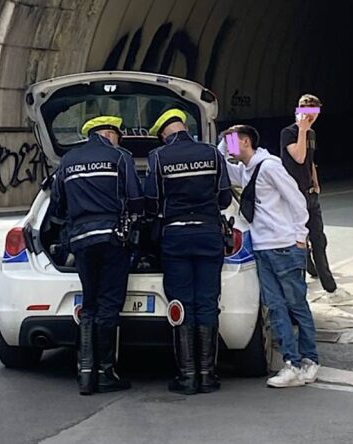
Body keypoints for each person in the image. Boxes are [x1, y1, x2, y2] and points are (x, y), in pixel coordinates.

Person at [218, 124, 320, 388]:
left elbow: (297, 199)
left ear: (245, 142)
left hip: (284, 246)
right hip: (262, 248)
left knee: (296, 306)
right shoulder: (247, 170)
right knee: (275, 309)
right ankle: (291, 364)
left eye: (231, 142)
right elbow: (224, 166)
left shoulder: (270, 166)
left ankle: (309, 360)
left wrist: (300, 236)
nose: (229, 147)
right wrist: (223, 139)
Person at [49, 115, 143, 396]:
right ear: (110, 133)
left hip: (80, 240)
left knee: (89, 305)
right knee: (109, 304)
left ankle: (85, 374)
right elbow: (136, 200)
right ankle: (105, 372)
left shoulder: (67, 161)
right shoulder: (120, 157)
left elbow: (56, 205)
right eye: (119, 135)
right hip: (112, 238)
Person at [145, 109, 232, 395]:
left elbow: (152, 203)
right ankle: (208, 375)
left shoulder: (158, 157)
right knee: (208, 301)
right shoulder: (212, 153)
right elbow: (225, 197)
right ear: (184, 126)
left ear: (162, 134)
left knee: (181, 303)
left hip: (176, 237)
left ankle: (187, 376)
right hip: (209, 234)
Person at [280, 94, 353, 305]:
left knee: (319, 240)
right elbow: (299, 157)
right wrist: (302, 130)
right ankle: (305, 288)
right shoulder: (289, 133)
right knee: (299, 241)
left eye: (314, 112)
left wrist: (315, 181)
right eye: (307, 111)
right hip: (294, 197)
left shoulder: (311, 133)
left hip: (310, 194)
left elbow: (310, 161)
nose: (311, 117)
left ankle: (329, 287)